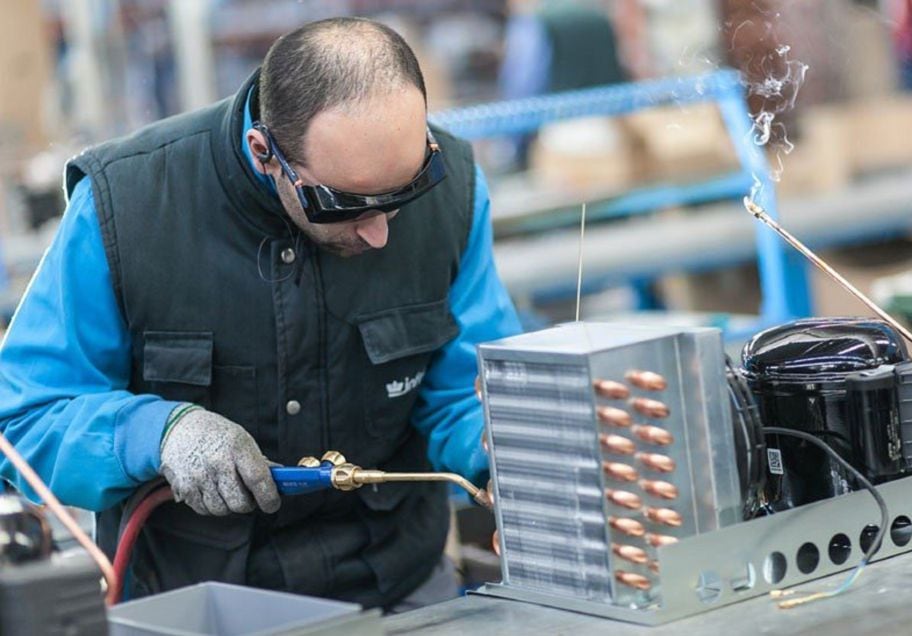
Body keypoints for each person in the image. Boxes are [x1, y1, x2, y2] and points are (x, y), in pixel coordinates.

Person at [0, 17, 521, 611]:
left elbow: (463, 392)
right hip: (197, 607)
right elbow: (24, 420)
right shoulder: (129, 207)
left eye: (406, 191)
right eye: (344, 204)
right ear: (265, 152)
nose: (379, 234)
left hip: (398, 595)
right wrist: (158, 434)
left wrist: (506, 454)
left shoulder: (455, 194)